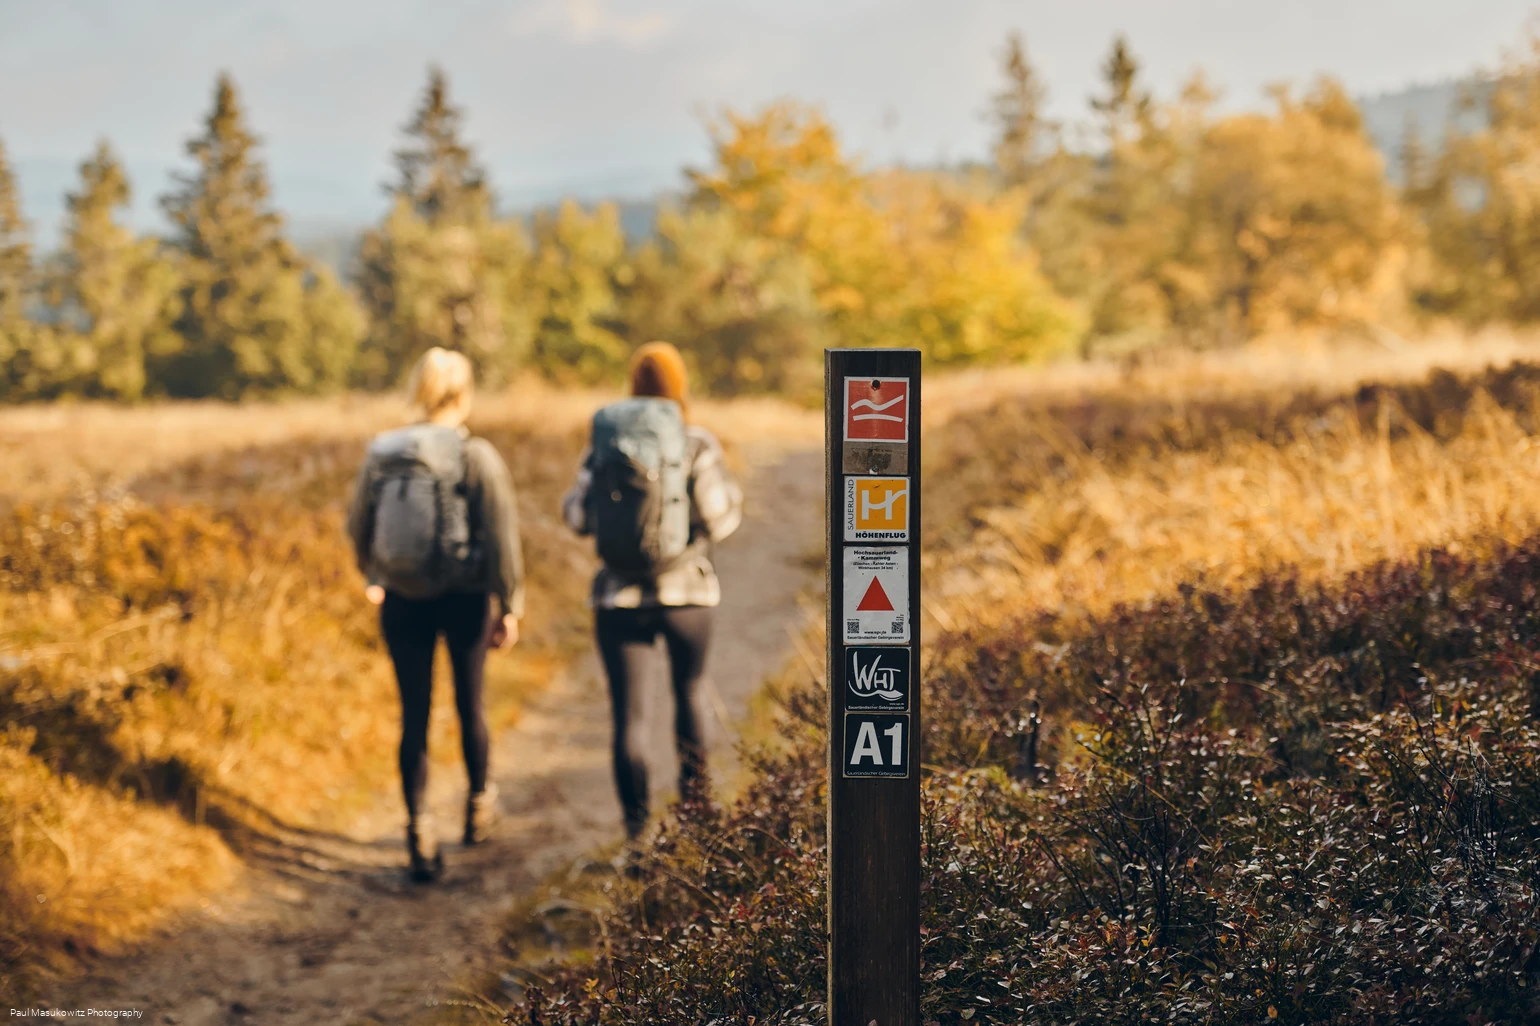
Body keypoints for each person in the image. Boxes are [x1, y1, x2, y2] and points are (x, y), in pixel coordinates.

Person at [347, 347, 525, 883]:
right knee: (470, 704)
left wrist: (376, 577)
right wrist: (511, 603)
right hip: (465, 597)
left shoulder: (382, 452)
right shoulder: (475, 455)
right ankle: (477, 808)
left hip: (401, 600)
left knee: (414, 715)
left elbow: (357, 525)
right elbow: (502, 536)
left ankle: (418, 827)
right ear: (462, 392)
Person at [562, 341, 743, 844]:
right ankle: (697, 824)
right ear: (679, 386)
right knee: (689, 695)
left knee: (629, 717)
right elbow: (721, 520)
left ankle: (637, 835)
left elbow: (577, 517)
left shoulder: (603, 443)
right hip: (687, 596)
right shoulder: (696, 441)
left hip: (617, 600)